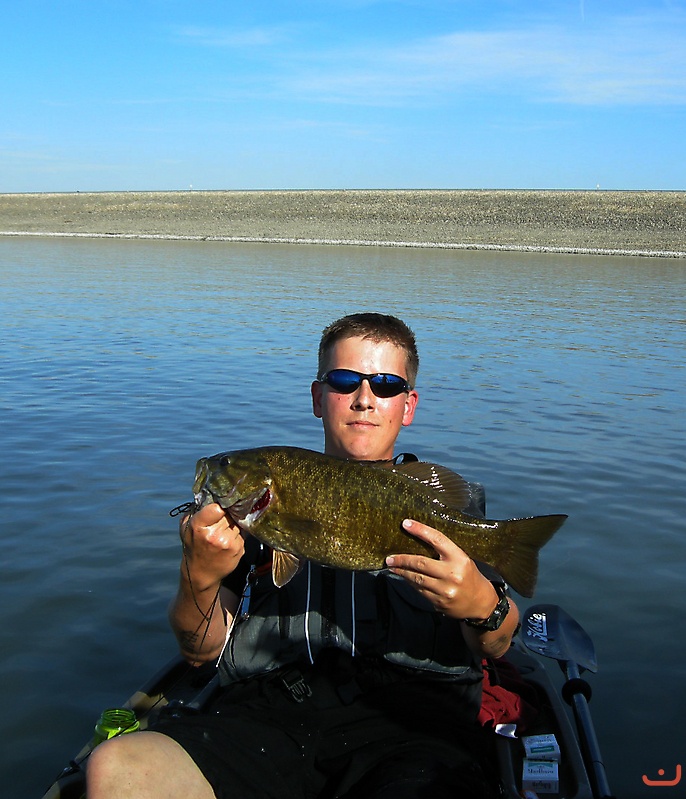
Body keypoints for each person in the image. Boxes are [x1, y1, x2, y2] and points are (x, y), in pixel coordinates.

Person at [87, 312, 520, 799]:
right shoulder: (244, 517)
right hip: (272, 717)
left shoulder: (441, 505)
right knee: (117, 768)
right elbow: (199, 651)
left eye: (385, 384)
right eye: (343, 381)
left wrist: (484, 606)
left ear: (408, 405)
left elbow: (497, 645)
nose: (364, 399)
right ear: (317, 397)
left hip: (413, 725)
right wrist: (199, 575)